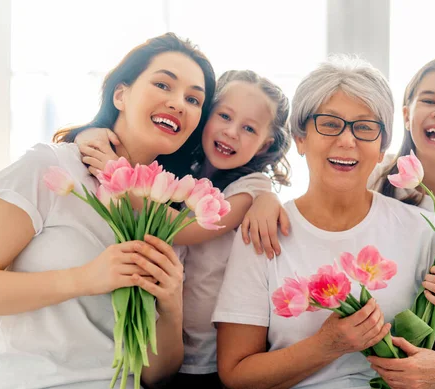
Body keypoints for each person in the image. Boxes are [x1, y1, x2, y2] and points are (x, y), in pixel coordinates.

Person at [242, 57, 435, 388]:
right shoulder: (383, 177)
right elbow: (331, 191)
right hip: (421, 366)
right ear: (407, 116)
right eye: (429, 99)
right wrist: (265, 195)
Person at [0, 32, 216, 389]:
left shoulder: (168, 215)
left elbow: (158, 375)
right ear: (120, 94)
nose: (179, 103)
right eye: (163, 84)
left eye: (194, 99)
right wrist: (85, 278)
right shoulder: (51, 168)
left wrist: (170, 304)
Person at [75, 69, 291, 388]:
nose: (231, 132)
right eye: (224, 116)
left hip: (208, 360)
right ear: (205, 116)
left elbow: (182, 229)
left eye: (248, 128)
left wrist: (115, 173)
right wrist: (87, 136)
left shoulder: (250, 189)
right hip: (158, 340)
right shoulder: (176, 167)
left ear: (263, 145)